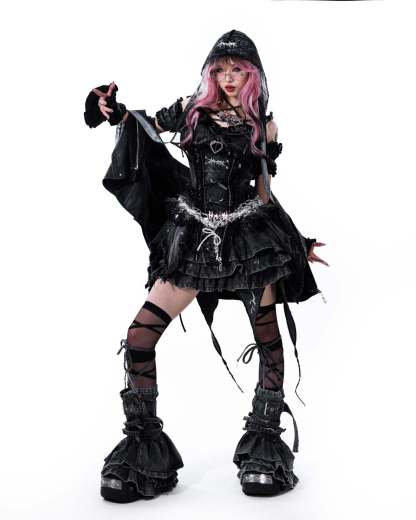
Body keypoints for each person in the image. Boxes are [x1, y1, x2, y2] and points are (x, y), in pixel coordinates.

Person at [84, 29, 329, 502]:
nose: (229, 78)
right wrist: (110, 109)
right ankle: (143, 448)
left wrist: (296, 241)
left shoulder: (263, 126)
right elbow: (142, 124)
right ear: (210, 73)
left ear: (253, 74)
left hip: (248, 240)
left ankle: (264, 445)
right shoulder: (191, 110)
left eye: (238, 70)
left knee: (267, 337)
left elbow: (265, 193)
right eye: (220, 70)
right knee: (140, 335)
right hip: (192, 239)